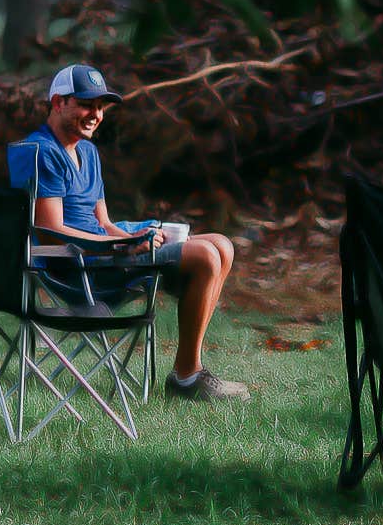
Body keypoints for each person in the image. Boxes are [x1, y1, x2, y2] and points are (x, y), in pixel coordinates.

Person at [15, 63, 248, 402]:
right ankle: (187, 377)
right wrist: (125, 244)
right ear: (57, 103)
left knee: (221, 244)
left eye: (99, 107)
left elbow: (105, 223)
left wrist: (138, 236)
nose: (95, 114)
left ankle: (189, 372)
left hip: (104, 253)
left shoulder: (88, 152)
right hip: (77, 270)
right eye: (85, 104)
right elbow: (54, 234)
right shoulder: (40, 152)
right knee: (205, 256)